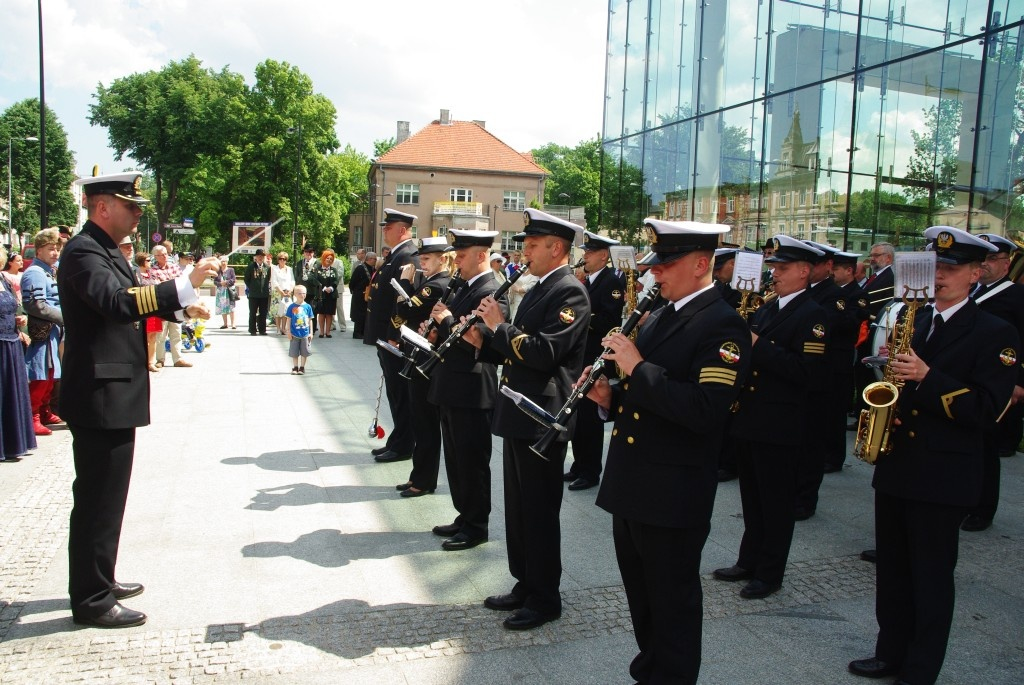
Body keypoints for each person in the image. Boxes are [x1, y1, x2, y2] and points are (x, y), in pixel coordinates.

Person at [848, 226, 1018, 685]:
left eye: (952, 268)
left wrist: (927, 377)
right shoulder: (917, 320)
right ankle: (889, 652)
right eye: (935, 267)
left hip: (944, 473)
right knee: (894, 570)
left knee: (930, 577)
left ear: (977, 273)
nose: (940, 276)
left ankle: (920, 669)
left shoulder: (995, 332)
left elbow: (986, 410)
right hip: (899, 463)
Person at [587, 219, 751, 685]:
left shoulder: (723, 325)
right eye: (655, 265)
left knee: (672, 601)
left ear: (702, 264)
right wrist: (610, 399)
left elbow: (705, 409)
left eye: (667, 264)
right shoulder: (661, 312)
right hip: (634, 481)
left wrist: (636, 369)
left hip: (673, 490)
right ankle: (651, 669)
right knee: (641, 594)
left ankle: (672, 675)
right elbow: (643, 398)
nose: (655, 274)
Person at [59, 171, 217, 628]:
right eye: (131, 206)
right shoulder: (83, 251)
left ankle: (99, 579)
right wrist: (184, 283)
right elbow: (116, 302)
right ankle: (90, 600)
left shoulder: (103, 249)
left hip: (111, 391)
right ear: (102, 206)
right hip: (99, 394)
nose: (138, 213)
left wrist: (183, 306)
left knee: (107, 496)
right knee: (97, 499)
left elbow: (134, 297)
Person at [468, 208, 590, 630]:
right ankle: (525, 582)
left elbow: (544, 353)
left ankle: (545, 597)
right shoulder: (537, 286)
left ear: (557, 248)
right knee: (518, 507)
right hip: (520, 406)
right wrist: (482, 336)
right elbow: (514, 345)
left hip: (542, 413)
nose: (526, 251)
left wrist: (498, 327)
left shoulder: (569, 292)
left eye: (533, 245)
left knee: (538, 511)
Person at [714, 235, 828, 600]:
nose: (774, 273)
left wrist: (758, 345)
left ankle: (770, 572)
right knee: (752, 498)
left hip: (780, 423)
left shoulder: (814, 315)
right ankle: (749, 560)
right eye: (774, 266)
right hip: (751, 417)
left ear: (804, 271)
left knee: (775, 502)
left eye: (782, 268)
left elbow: (806, 372)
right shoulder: (767, 306)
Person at [426, 230, 505, 547]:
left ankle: (476, 525)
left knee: (471, 461)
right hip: (452, 384)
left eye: (461, 255)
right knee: (456, 459)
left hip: (473, 389)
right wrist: (434, 332)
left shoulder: (492, 291)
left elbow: (482, 341)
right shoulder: (463, 287)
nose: (455, 261)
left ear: (481, 255)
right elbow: (451, 332)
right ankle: (464, 514)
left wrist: (445, 322)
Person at [959, 233, 1024, 532]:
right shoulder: (971, 294)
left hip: (999, 381)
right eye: (981, 259)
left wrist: (1019, 382)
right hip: (965, 379)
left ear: (1007, 263)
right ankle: (963, 499)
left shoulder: (1016, 296)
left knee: (986, 447)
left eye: (992, 259)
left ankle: (983, 508)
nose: (985, 265)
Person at [565, 230, 625, 491]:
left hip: (595, 355)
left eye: (589, 253)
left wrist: (578, 319)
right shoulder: (588, 281)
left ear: (603, 256)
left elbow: (609, 320)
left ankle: (590, 472)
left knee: (590, 419)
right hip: (582, 355)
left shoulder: (612, 281)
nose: (585, 257)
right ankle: (579, 465)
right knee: (578, 416)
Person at [392, 236, 453, 498]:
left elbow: (404, 310)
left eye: (427, 259)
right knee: (420, 420)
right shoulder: (430, 283)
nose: (421, 263)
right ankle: (420, 475)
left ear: (442, 258)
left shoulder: (435, 285)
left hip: (425, 361)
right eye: (422, 259)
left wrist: (404, 283)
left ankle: (425, 479)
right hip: (416, 353)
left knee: (425, 422)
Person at [365, 210, 418, 463]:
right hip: (385, 335)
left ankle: (404, 444)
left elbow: (403, 301)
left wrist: (394, 335)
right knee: (395, 393)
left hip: (393, 337)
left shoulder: (408, 256)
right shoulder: (395, 256)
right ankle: (398, 439)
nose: (384, 230)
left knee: (400, 394)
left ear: (402, 230)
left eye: (389, 227)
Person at [21, 228, 64, 436]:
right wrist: (64, 318)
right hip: (43, 330)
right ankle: (32, 415)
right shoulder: (35, 273)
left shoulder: (49, 270)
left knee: (52, 373)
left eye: (56, 249)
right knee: (41, 373)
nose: (55, 253)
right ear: (38, 251)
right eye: (50, 249)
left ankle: (45, 411)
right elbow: (35, 304)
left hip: (54, 330)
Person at [0, 244, 35, 463]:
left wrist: (17, 324)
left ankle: (12, 443)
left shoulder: (4, 281)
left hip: (11, 342)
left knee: (11, 395)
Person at [149, 245, 191, 367]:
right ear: (156, 256)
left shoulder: (174, 267)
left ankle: (178, 359)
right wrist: (170, 284)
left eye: (166, 253)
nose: (165, 256)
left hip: (176, 304)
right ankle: (160, 359)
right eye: (161, 254)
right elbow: (157, 287)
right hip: (162, 306)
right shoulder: (153, 270)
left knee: (176, 332)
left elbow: (180, 283)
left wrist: (168, 284)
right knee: (160, 334)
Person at [135, 253, 165, 373]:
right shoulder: (136, 275)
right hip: (143, 309)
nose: (150, 262)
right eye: (148, 260)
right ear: (141, 261)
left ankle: (150, 362)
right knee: (143, 338)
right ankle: (142, 362)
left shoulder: (152, 273)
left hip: (153, 308)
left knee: (153, 337)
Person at [310, 249, 340, 337]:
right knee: (322, 313)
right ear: (323, 258)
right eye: (328, 258)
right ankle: (322, 332)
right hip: (321, 294)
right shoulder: (317, 269)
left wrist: (331, 288)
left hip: (331, 294)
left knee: (329, 313)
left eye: (331, 259)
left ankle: (328, 332)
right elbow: (314, 280)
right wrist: (323, 288)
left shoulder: (333, 270)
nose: (329, 260)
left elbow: (336, 280)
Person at [285, 284, 314, 375]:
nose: (302, 295)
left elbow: (310, 320)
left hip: (305, 333)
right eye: (300, 293)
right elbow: (288, 320)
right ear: (295, 294)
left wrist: (311, 333)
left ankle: (302, 367)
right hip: (294, 333)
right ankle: (295, 367)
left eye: (304, 293)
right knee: (294, 351)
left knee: (305, 351)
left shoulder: (308, 307)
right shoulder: (292, 307)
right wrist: (288, 331)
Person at [293, 244, 320, 335]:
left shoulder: (318, 263)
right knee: (301, 310)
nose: (308, 254)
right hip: (301, 291)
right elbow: (296, 276)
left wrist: (311, 279)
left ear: (313, 253)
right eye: (306, 252)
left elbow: (319, 279)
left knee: (312, 310)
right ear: (304, 253)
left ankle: (312, 329)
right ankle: (302, 327)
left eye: (310, 252)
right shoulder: (299, 263)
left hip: (313, 291)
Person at [244, 248, 271, 335]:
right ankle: (252, 329)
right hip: (253, 294)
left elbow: (268, 279)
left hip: (264, 294)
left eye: (262, 256)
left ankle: (262, 330)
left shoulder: (267, 267)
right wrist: (251, 287)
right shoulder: (251, 266)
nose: (260, 258)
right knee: (252, 312)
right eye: (259, 256)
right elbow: (246, 279)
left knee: (263, 313)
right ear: (256, 257)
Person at [349, 250, 375, 339]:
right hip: (359, 295)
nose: (375, 261)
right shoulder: (360, 268)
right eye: (374, 259)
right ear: (370, 259)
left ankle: (363, 332)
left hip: (367, 295)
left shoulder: (372, 268)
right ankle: (357, 333)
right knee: (359, 314)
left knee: (365, 314)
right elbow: (352, 282)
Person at [271, 251, 296, 336]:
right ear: (278, 260)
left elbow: (292, 280)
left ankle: (284, 328)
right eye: (280, 259)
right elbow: (274, 281)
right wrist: (281, 292)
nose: (282, 260)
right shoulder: (275, 269)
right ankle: (278, 328)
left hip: (287, 292)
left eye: (284, 259)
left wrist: (291, 290)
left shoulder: (289, 269)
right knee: (278, 311)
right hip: (278, 292)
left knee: (286, 311)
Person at [213, 257, 236, 330]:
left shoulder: (231, 270)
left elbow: (233, 279)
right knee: (223, 307)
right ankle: (225, 324)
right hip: (221, 292)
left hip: (229, 290)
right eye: (222, 261)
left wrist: (226, 282)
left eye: (225, 261)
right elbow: (215, 281)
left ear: (227, 262)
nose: (223, 263)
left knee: (231, 307)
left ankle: (233, 324)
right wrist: (220, 283)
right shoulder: (218, 271)